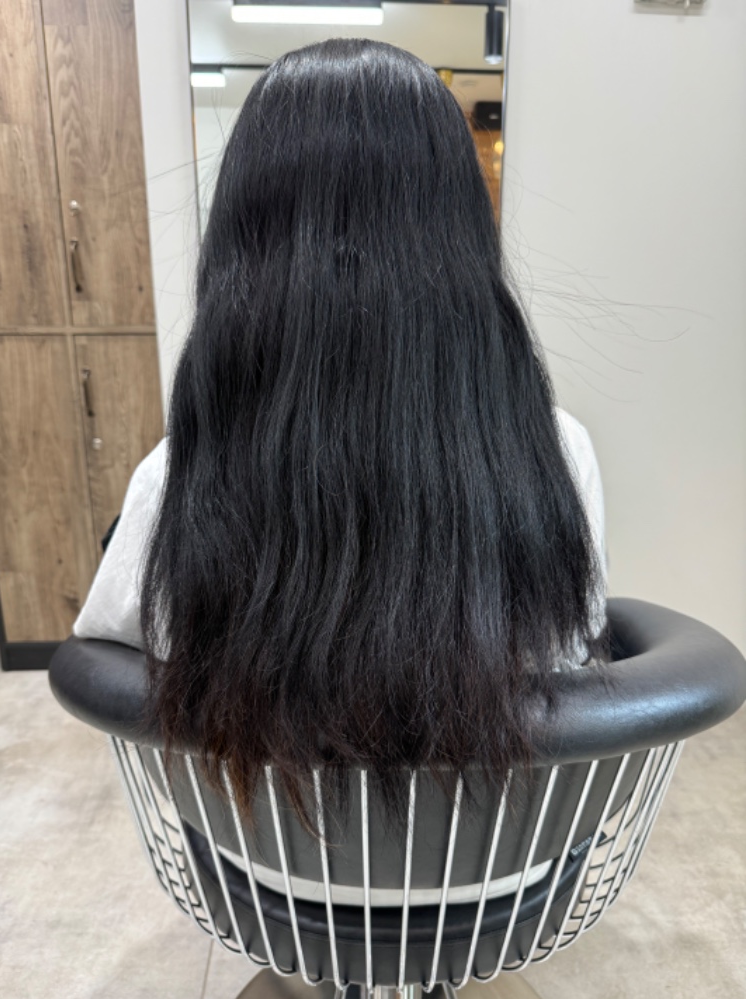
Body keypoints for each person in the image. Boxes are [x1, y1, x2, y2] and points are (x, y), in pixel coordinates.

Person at [73, 39, 606, 858]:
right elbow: (572, 653)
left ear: (242, 240)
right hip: (497, 872)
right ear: (460, 230)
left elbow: (109, 657)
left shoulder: (179, 475)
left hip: (270, 877)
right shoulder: (558, 455)